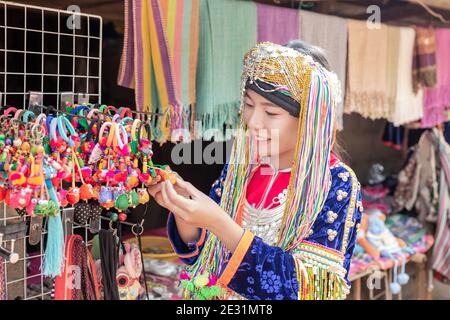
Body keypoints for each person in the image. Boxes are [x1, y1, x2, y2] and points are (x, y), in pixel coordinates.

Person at [148, 40, 362, 300]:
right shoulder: (243, 169)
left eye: (270, 112)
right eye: (249, 105)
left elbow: (316, 290)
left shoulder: (335, 182)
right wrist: (184, 210)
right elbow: (204, 257)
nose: (253, 121)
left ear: (309, 120)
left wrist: (219, 222)